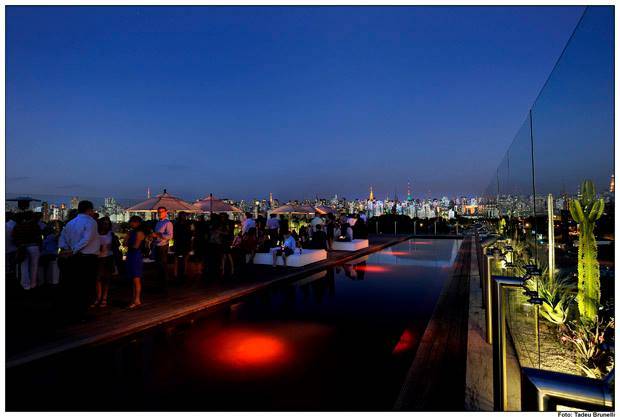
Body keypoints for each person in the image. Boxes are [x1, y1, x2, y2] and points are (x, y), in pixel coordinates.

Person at [58, 200, 99, 321]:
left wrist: (66, 249)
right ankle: (81, 313)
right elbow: (87, 239)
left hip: (73, 258)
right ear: (89, 210)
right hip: (87, 258)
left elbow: (63, 238)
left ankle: (72, 311)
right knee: (85, 287)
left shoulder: (71, 223)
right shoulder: (91, 222)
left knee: (74, 285)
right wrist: (74, 249)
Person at [12, 211, 43, 290]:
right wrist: (40, 246)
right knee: (34, 266)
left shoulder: (18, 226)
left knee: (24, 266)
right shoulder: (35, 225)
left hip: (23, 246)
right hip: (34, 246)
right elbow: (39, 237)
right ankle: (33, 284)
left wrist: (19, 245)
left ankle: (25, 285)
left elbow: (14, 236)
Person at [92, 217, 114, 308]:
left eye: (107, 223)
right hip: (98, 257)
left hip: (108, 257)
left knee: (106, 279)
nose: (105, 225)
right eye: (104, 223)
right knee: (97, 278)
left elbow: (113, 246)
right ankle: (98, 297)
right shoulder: (95, 233)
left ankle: (104, 298)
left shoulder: (110, 233)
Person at [125, 216, 146, 308]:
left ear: (138, 223)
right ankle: (134, 299)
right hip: (131, 255)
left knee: (136, 278)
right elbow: (125, 243)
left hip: (136, 255)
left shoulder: (140, 233)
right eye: (131, 222)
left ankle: (137, 299)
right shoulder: (131, 232)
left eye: (133, 222)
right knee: (133, 278)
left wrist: (128, 242)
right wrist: (127, 237)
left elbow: (136, 246)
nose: (131, 223)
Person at [152, 206, 173, 289]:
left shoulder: (168, 223)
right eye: (159, 212)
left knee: (162, 265)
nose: (160, 213)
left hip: (163, 246)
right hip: (157, 245)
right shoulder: (158, 223)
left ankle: (164, 285)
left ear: (166, 212)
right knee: (158, 265)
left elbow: (170, 236)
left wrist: (158, 235)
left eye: (162, 211)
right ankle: (160, 284)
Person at [173, 211, 192, 283]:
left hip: (181, 243)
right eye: (184, 216)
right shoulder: (187, 224)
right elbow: (190, 234)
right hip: (183, 243)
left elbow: (175, 235)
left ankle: (178, 273)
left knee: (179, 259)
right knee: (183, 259)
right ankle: (182, 273)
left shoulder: (177, 224)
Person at [6, 212, 17, 277]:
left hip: (9, 248)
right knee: (12, 262)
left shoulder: (9, 225)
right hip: (12, 248)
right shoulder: (13, 225)